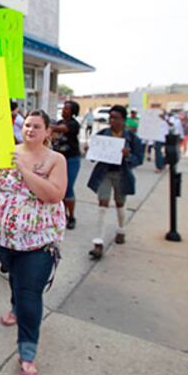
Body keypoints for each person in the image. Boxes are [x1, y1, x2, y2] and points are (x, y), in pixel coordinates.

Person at [0, 109, 67, 375]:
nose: (30, 130)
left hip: (39, 242)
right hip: (4, 238)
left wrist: (24, 171)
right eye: (27, 126)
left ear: (48, 132)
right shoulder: (5, 151)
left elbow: (54, 194)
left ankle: (27, 353)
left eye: (37, 126)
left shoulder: (55, 160)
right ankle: (15, 304)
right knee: (16, 278)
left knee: (30, 293)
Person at [86, 105, 144, 259]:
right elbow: (92, 156)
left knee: (120, 204)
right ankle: (98, 242)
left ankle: (121, 229)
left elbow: (139, 159)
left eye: (116, 118)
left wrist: (128, 156)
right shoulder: (103, 134)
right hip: (104, 173)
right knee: (102, 205)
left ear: (123, 120)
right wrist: (90, 150)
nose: (112, 121)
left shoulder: (132, 138)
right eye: (111, 117)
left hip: (121, 174)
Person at [51, 100, 81, 229]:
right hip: (58, 159)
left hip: (71, 159)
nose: (63, 110)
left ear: (73, 112)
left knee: (68, 188)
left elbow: (61, 130)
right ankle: (62, 215)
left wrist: (44, 124)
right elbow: (54, 135)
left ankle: (72, 216)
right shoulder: (59, 122)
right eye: (63, 108)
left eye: (67, 109)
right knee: (59, 188)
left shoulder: (73, 124)